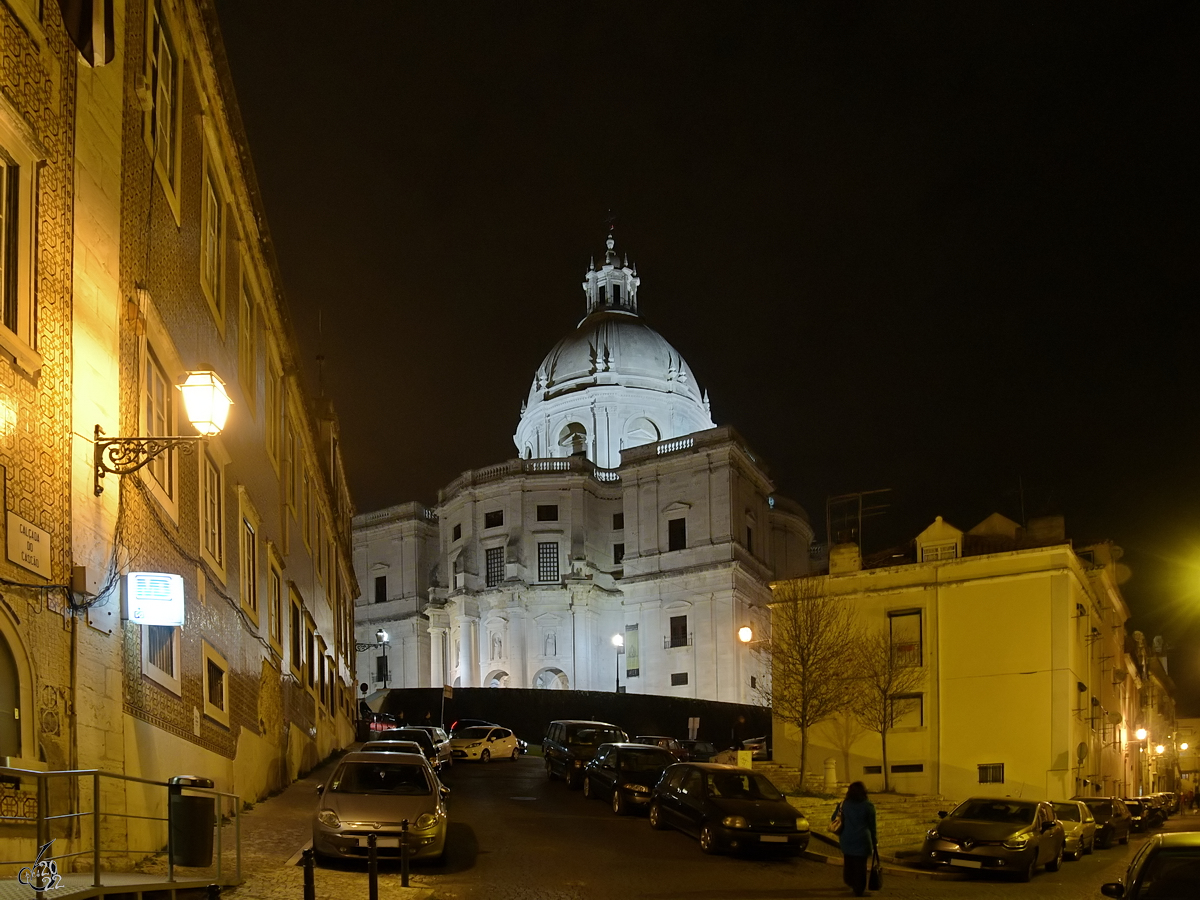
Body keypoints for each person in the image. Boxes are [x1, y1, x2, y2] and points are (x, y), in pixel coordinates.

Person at [835, 781, 878, 897]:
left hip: (846, 838)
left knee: (849, 862)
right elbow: (872, 825)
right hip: (862, 840)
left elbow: (834, 818)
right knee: (860, 866)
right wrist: (875, 840)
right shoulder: (868, 806)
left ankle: (850, 881)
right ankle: (859, 889)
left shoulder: (844, 804)